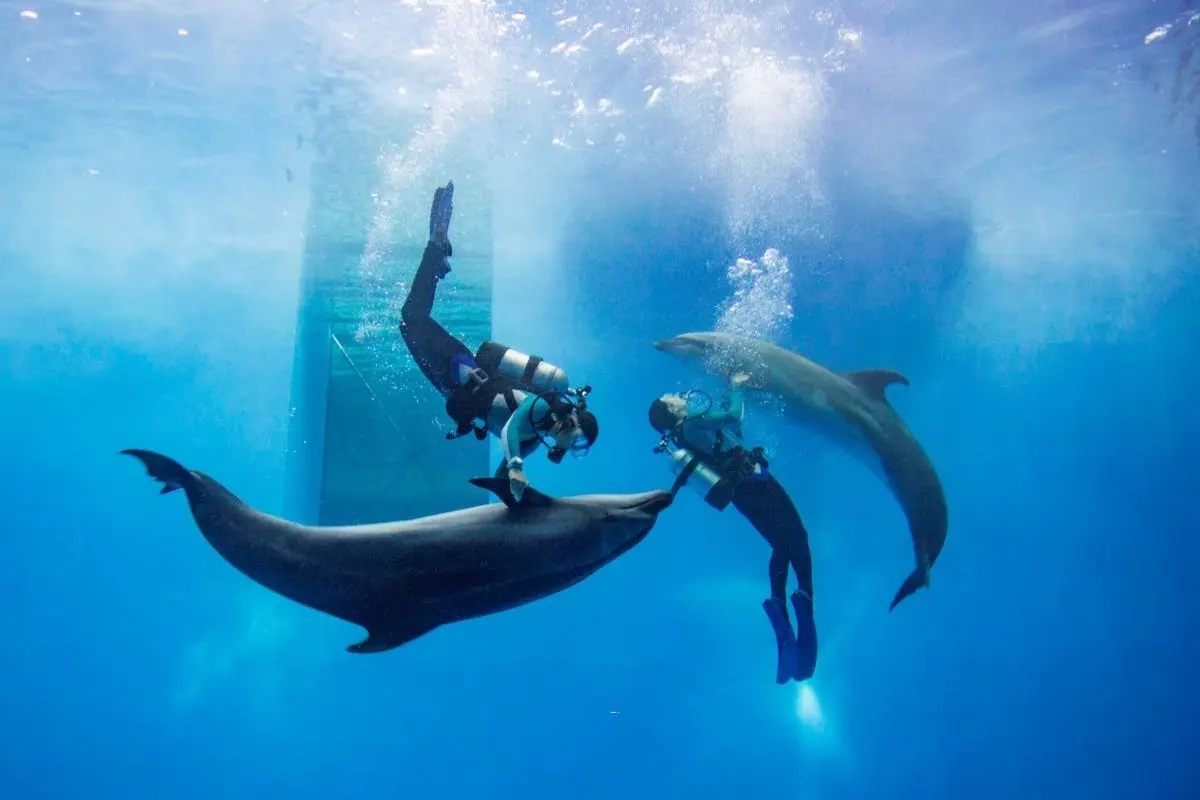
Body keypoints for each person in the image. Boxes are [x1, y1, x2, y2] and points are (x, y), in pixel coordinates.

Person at [400, 180, 599, 502]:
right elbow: (509, 432)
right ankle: (436, 248)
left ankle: (437, 260)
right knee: (412, 318)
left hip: (453, 387)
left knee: (408, 325)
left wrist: (510, 485)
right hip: (461, 367)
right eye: (577, 443)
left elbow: (504, 468)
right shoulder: (537, 407)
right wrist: (518, 465)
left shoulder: (535, 439)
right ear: (572, 426)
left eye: (577, 450)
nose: (570, 449)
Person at [648, 376, 817, 684]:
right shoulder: (693, 423)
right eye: (675, 398)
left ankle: (778, 601)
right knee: (797, 536)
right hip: (757, 483)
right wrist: (736, 386)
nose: (681, 397)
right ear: (672, 409)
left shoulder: (683, 436)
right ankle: (806, 597)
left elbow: (732, 433)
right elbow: (734, 414)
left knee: (780, 545)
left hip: (740, 495)